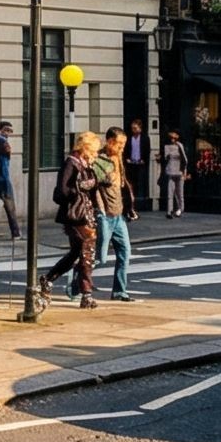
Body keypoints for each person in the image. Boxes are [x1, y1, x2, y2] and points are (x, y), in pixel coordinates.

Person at [43, 131, 102, 308]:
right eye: (94, 150)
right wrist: (79, 190)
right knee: (87, 251)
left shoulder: (86, 165)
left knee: (76, 253)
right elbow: (62, 190)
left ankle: (48, 279)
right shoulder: (72, 163)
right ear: (86, 148)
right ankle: (86, 293)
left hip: (86, 214)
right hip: (76, 215)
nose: (96, 153)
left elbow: (93, 187)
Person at [95, 126, 137, 301]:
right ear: (110, 141)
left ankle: (120, 291)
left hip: (118, 215)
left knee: (125, 252)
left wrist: (129, 207)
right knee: (100, 258)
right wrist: (100, 210)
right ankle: (76, 282)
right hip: (105, 215)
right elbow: (95, 185)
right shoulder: (99, 159)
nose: (122, 148)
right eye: (119, 144)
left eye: (124, 144)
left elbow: (122, 186)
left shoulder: (118, 158)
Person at [159, 129, 188, 219]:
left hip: (179, 171)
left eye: (174, 137)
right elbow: (165, 158)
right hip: (171, 171)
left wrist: (184, 172)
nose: (172, 139)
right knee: (170, 192)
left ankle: (180, 209)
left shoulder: (180, 145)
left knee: (180, 192)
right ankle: (169, 210)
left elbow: (185, 159)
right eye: (171, 137)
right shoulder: (167, 146)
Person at [124, 118, 150, 211]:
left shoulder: (145, 138)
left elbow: (147, 151)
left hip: (140, 164)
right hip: (131, 163)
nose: (133, 130)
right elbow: (126, 150)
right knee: (131, 183)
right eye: (132, 128)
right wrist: (127, 158)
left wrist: (144, 160)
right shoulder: (129, 138)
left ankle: (140, 204)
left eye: (135, 128)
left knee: (140, 183)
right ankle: (131, 204)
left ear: (140, 128)